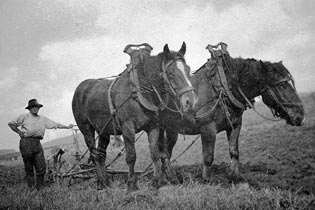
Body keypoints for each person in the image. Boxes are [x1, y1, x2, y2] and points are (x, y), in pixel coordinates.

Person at [8, 99, 74, 190]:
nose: (35, 109)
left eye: (37, 107)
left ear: (39, 108)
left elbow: (55, 124)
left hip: (37, 143)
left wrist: (67, 127)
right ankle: (31, 188)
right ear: (29, 108)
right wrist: (19, 131)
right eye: (33, 107)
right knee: (29, 166)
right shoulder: (24, 117)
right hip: (26, 142)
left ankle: (40, 188)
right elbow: (11, 124)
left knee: (41, 166)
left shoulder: (42, 119)